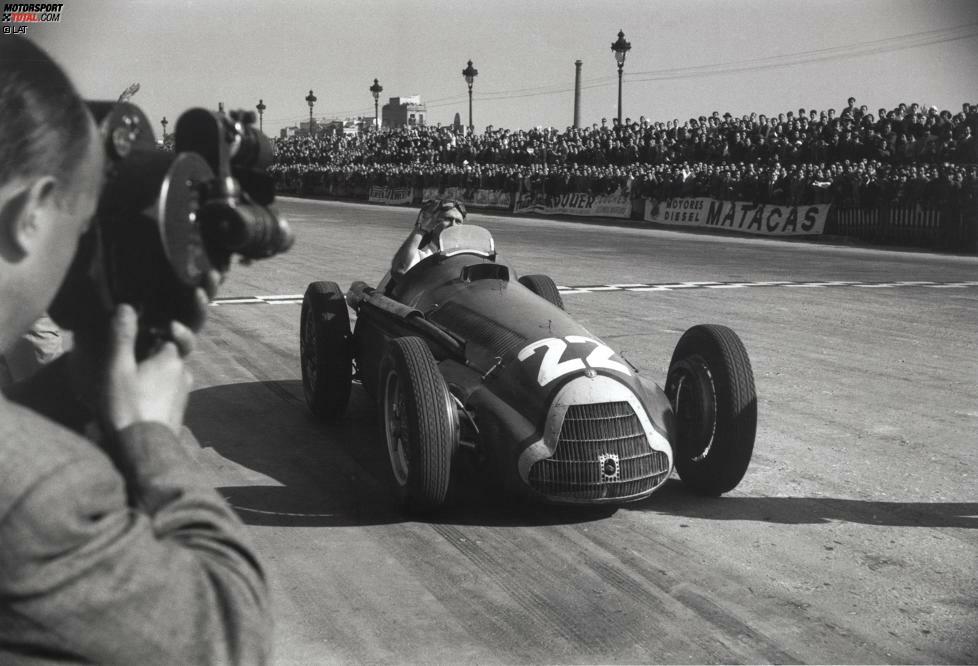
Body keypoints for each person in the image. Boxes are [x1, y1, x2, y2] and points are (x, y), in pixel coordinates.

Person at [0, 37, 271, 663]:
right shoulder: (46, 494)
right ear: (31, 214)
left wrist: (82, 383)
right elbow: (227, 637)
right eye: (81, 219)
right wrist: (148, 436)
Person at [388, 198, 467, 279]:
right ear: (433, 223)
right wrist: (420, 230)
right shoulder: (421, 254)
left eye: (458, 221)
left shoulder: (465, 254)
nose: (453, 226)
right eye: (447, 219)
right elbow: (400, 270)